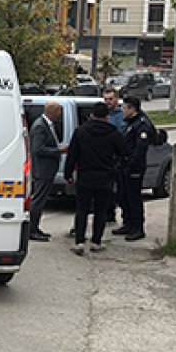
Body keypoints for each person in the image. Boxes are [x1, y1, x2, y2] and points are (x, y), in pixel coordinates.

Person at [64, 102, 128, 255]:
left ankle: (79, 242)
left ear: (92, 115)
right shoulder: (114, 133)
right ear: (107, 116)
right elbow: (124, 153)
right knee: (101, 211)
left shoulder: (81, 132)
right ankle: (96, 241)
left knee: (82, 210)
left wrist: (68, 174)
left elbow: (72, 155)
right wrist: (114, 165)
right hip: (105, 177)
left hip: (85, 176)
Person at [113, 96, 154, 241]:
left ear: (132, 109)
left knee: (133, 198)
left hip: (134, 168)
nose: (122, 111)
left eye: (124, 108)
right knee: (123, 196)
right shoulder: (131, 123)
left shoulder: (142, 125)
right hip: (124, 165)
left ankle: (137, 228)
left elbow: (140, 149)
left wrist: (131, 165)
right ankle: (127, 223)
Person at [29, 101, 67, 241]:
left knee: (41, 199)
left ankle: (35, 227)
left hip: (47, 169)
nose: (59, 115)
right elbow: (38, 149)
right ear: (51, 111)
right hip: (42, 169)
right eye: (58, 112)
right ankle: (32, 230)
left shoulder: (48, 125)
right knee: (38, 200)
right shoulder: (40, 126)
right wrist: (59, 150)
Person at [103, 87, 125, 224]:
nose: (108, 102)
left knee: (122, 191)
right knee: (106, 189)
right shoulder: (103, 114)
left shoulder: (122, 114)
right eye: (105, 99)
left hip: (118, 157)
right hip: (105, 157)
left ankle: (125, 218)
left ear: (116, 99)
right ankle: (108, 214)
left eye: (110, 99)